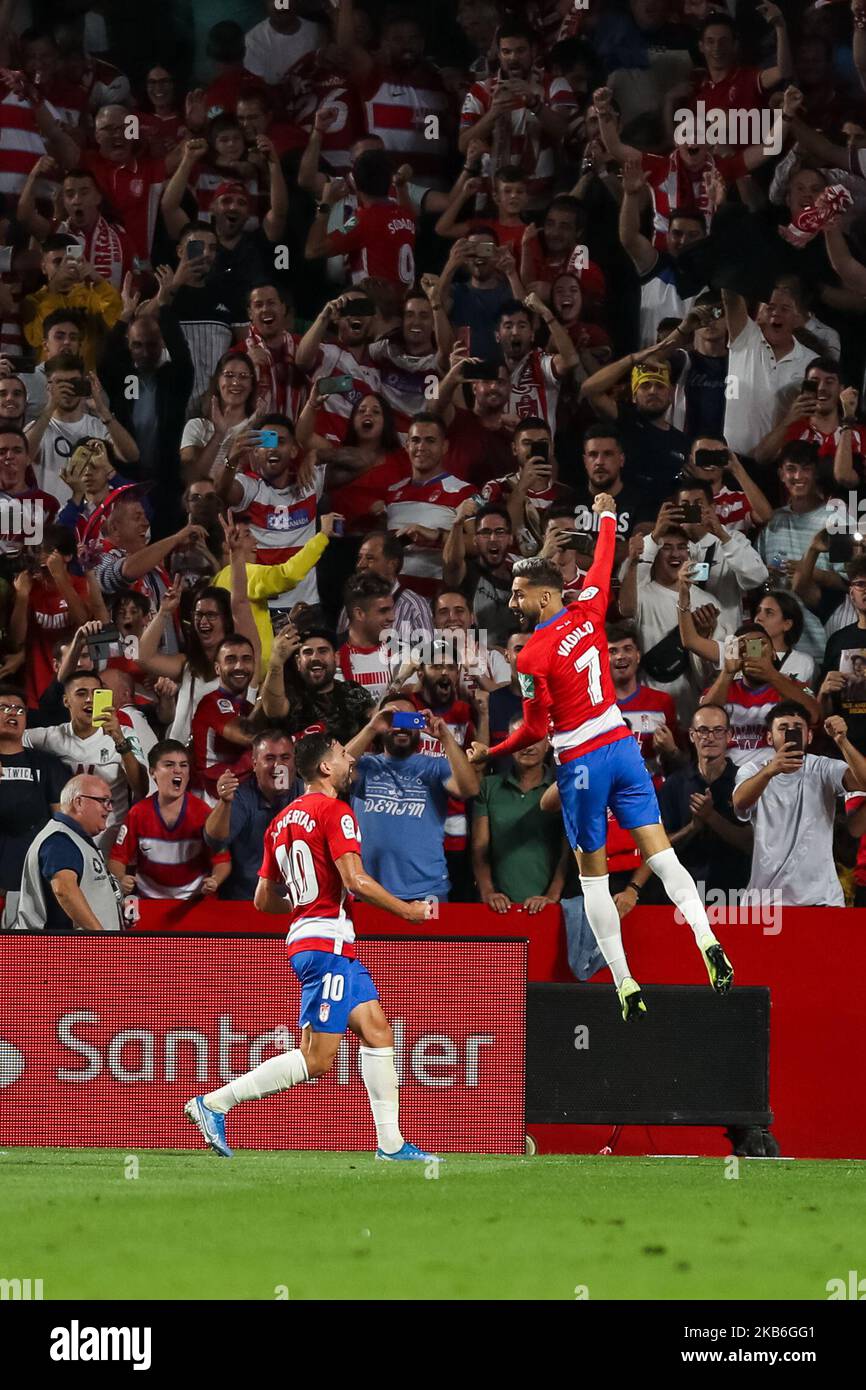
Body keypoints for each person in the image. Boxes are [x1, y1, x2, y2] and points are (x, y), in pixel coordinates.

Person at [467, 494, 734, 1021]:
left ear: (545, 598)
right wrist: (609, 513)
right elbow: (606, 559)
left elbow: (537, 729)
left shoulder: (531, 655)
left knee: (593, 880)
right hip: (623, 748)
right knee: (661, 857)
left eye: (520, 594)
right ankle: (705, 937)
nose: (514, 601)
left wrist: (490, 752)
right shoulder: (589, 608)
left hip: (582, 763)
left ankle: (622, 979)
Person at [184, 728, 436, 1162]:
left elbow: (263, 900)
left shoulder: (282, 820)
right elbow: (356, 881)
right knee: (317, 1059)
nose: (349, 760)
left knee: (378, 1031)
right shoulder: (336, 812)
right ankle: (213, 1104)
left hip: (314, 939)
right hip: (328, 944)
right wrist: (408, 911)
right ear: (325, 767)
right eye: (342, 752)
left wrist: (305, 901)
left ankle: (391, 1145)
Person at [345, 699, 481, 903]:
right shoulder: (365, 765)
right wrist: (371, 728)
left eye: (410, 720)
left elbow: (469, 789)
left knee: (431, 936)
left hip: (427, 891)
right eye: (394, 719)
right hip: (369, 890)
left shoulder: (436, 766)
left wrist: (445, 737)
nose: (402, 727)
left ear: (419, 726)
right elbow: (334, 771)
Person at [733, 704, 866, 907]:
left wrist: (842, 741)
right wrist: (771, 771)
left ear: (809, 736)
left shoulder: (823, 767)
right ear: (769, 738)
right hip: (766, 901)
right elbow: (740, 802)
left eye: (797, 727)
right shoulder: (752, 770)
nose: (791, 732)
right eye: (783, 728)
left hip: (822, 899)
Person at [23, 669, 148, 853]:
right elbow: (11, 738)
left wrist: (120, 741)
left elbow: (141, 788)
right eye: (81, 693)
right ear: (66, 701)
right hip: (67, 839)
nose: (90, 699)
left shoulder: (125, 734)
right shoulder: (51, 737)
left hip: (110, 840)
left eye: (96, 693)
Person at [109, 741, 231, 899]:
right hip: (149, 903)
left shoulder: (204, 812)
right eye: (169, 765)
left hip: (195, 903)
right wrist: (121, 878)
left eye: (184, 765)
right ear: (153, 772)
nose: (178, 770)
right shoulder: (138, 813)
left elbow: (222, 860)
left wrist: (215, 880)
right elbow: (117, 858)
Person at [472, 718, 568, 914]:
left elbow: (569, 850)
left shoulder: (562, 788)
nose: (527, 746)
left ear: (548, 742)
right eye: (520, 739)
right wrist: (488, 892)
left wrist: (552, 896)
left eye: (535, 738)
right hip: (498, 905)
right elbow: (479, 846)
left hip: (550, 905)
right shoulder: (489, 787)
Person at [17, 773, 123, 933]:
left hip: (80, 950)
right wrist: (101, 937)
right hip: (60, 952)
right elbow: (64, 890)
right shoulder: (60, 840)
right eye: (103, 801)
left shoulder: (74, 838)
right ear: (79, 802)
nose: (109, 808)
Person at [205, 729, 302, 900]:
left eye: (285, 758)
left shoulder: (307, 793)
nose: (278, 765)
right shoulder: (242, 797)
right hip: (246, 904)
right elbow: (214, 840)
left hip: (297, 903)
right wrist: (224, 802)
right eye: (269, 758)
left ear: (294, 762)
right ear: (255, 764)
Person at [0, 683, 67, 928]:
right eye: (4, 708)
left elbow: (62, 826)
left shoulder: (46, 764)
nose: (13, 713)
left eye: (19, 710)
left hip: (30, 883)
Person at [260, 625, 373, 743]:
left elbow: (379, 721)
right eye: (308, 652)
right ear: (298, 662)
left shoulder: (352, 691)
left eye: (323, 651)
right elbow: (273, 711)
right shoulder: (290, 694)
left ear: (336, 658)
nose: (315, 658)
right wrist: (276, 661)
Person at [191, 634, 258, 804]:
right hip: (212, 797)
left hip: (240, 794)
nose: (239, 666)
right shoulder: (211, 702)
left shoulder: (248, 708)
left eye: (246, 659)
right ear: (217, 668)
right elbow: (246, 736)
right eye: (230, 659)